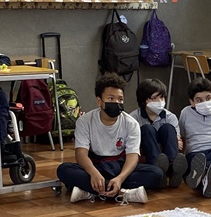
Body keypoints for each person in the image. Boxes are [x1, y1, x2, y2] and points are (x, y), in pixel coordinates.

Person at [56, 73, 163, 203]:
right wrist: (93, 174)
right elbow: (81, 154)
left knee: (156, 174)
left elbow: (132, 156)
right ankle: (123, 193)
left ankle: (91, 191)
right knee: (63, 170)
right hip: (96, 165)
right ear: (99, 101)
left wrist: (120, 179)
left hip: (120, 166)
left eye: (120, 99)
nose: (116, 103)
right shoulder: (84, 121)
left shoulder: (131, 123)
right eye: (111, 98)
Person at [129, 78, 187, 187]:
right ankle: (159, 167)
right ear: (144, 100)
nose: (160, 101)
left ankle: (173, 168)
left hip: (167, 151)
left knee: (168, 128)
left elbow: (178, 142)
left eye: (162, 97)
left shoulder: (170, 117)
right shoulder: (133, 118)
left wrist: (175, 141)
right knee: (146, 129)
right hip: (148, 152)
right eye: (154, 98)